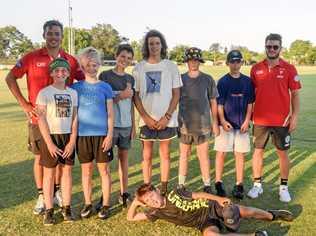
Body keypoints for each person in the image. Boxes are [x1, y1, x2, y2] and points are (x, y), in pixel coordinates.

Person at [5, 20, 84, 214]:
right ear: (44, 35)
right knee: (41, 157)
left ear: (61, 36)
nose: (53, 37)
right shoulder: (32, 58)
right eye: (50, 33)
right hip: (38, 120)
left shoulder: (71, 60)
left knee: (60, 156)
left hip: (63, 121)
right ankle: (42, 195)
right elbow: (10, 77)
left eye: (57, 33)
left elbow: (84, 82)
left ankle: (56, 192)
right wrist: (25, 104)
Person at [247, 34, 301, 202]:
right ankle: (257, 186)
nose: (271, 49)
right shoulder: (256, 68)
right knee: (258, 152)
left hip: (282, 120)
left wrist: (294, 116)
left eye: (275, 47)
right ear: (265, 47)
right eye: (268, 46)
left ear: (280, 48)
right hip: (260, 120)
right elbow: (251, 95)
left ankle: (283, 188)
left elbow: (295, 95)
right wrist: (249, 116)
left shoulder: (290, 69)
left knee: (283, 154)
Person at [127, 184, 294, 236]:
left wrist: (219, 199)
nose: (153, 201)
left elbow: (198, 195)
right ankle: (255, 235)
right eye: (148, 201)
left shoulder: (174, 193)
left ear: (157, 190)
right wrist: (135, 203)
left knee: (236, 211)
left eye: (152, 195)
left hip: (211, 207)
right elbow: (131, 219)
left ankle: (272, 215)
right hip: (204, 221)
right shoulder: (155, 212)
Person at [133, 30, 182, 195]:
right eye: (151, 43)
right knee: (146, 156)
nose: (154, 46)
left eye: (157, 43)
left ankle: (164, 188)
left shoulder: (171, 66)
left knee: (165, 154)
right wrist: (145, 117)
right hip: (147, 120)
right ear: (147, 46)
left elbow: (176, 94)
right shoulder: (139, 67)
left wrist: (167, 117)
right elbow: (136, 95)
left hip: (165, 120)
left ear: (162, 45)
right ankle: (147, 188)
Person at [71, 47, 114, 219]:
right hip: (82, 136)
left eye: (95, 65)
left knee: (104, 171)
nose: (91, 68)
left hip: (102, 136)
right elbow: (74, 114)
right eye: (88, 65)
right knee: (86, 171)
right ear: (82, 66)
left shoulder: (105, 87)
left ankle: (105, 205)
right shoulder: (76, 88)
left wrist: (110, 135)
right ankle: (88, 203)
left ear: (99, 65)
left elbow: (110, 113)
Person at [36, 58, 78, 225]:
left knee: (66, 172)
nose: (60, 73)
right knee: (49, 174)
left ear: (68, 73)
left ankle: (66, 208)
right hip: (51, 136)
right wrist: (50, 143)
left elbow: (75, 118)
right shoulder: (44, 93)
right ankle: (49, 210)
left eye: (64, 70)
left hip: (67, 136)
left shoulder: (73, 93)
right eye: (57, 70)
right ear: (52, 73)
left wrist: (72, 141)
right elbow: (41, 120)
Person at [214, 50, 255, 199]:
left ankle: (239, 185)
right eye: (232, 61)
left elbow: (250, 103)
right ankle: (218, 183)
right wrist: (223, 121)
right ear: (228, 63)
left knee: (240, 154)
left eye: (238, 61)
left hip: (242, 125)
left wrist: (246, 121)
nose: (235, 64)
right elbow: (219, 105)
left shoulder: (247, 81)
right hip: (226, 125)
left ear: (241, 62)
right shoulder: (223, 81)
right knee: (221, 153)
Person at [177, 47, 219, 193]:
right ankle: (181, 184)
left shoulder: (207, 79)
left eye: (196, 60)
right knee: (184, 155)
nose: (193, 63)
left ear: (199, 61)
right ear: (187, 62)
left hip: (203, 125)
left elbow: (213, 101)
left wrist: (215, 122)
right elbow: (174, 100)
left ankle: (207, 185)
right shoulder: (180, 79)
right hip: (185, 125)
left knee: (203, 156)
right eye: (190, 60)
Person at [99, 44, 136, 207]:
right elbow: (101, 102)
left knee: (124, 160)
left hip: (126, 125)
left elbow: (132, 104)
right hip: (109, 127)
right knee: (104, 164)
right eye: (122, 56)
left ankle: (124, 193)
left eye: (128, 58)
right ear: (116, 56)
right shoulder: (105, 76)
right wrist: (120, 96)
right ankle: (104, 194)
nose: (125, 60)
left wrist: (134, 126)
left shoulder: (130, 79)